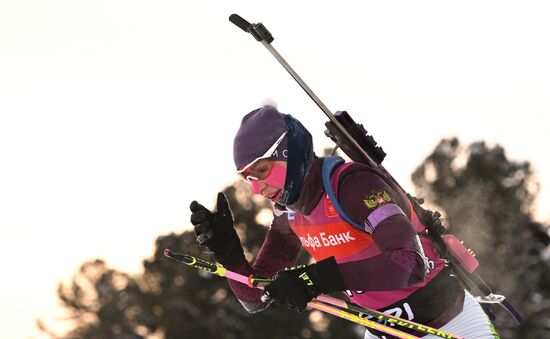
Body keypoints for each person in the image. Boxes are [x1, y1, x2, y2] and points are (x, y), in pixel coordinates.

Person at [189, 104, 499, 338]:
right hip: (385, 333)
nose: (257, 189)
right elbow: (256, 298)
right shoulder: (289, 213)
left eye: (262, 171)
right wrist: (229, 254)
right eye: (247, 178)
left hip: (451, 325)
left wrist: (315, 279)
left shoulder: (352, 186)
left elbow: (408, 264)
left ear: (290, 153)